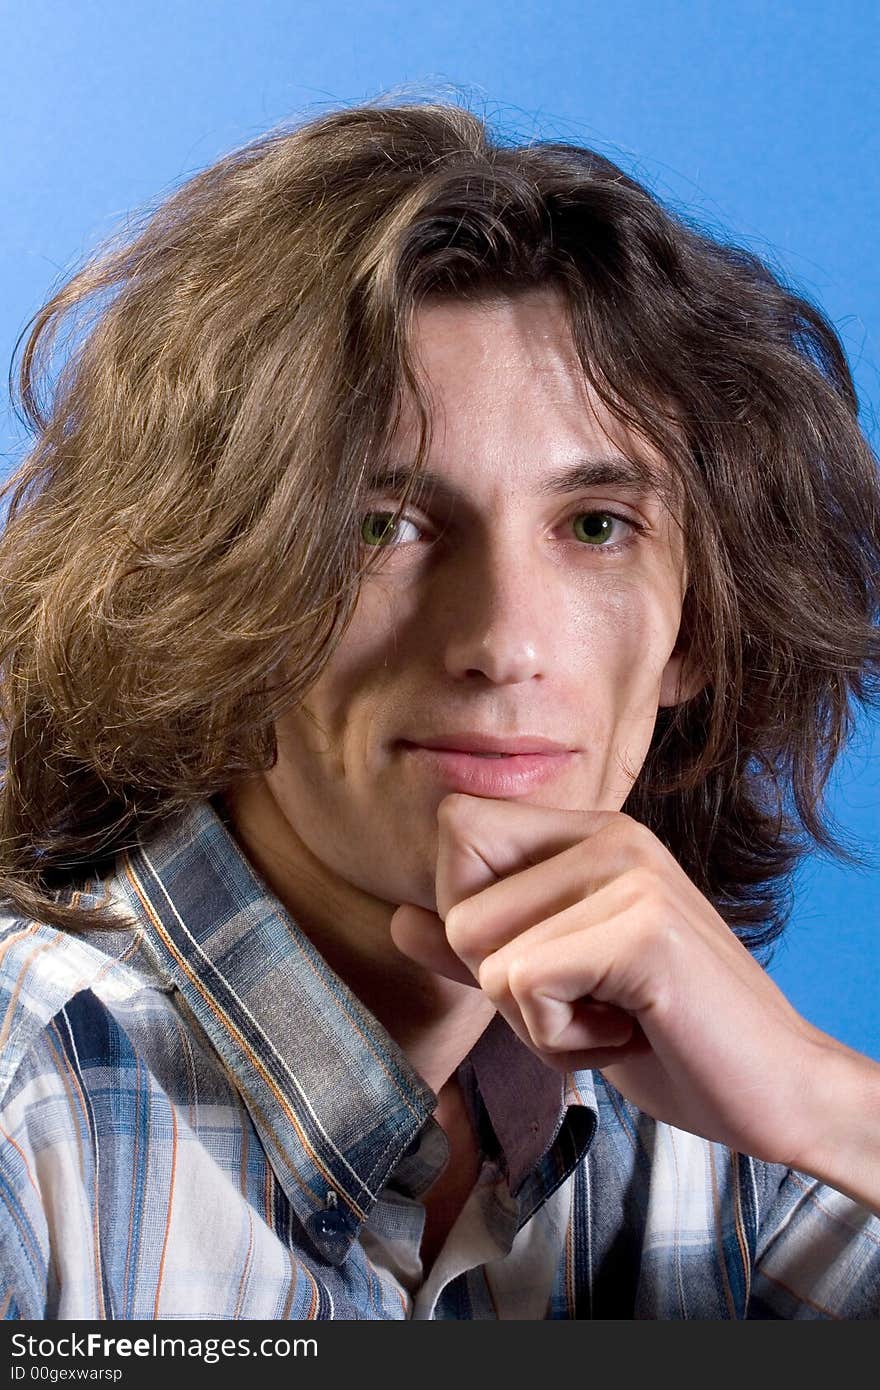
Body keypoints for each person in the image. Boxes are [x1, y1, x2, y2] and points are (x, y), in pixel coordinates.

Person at [1, 100, 878, 1322]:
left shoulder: (732, 1127)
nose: (502, 642)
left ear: (699, 633)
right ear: (207, 594)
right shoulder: (26, 1097)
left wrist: (834, 1107)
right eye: (383, 527)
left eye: (594, 527)